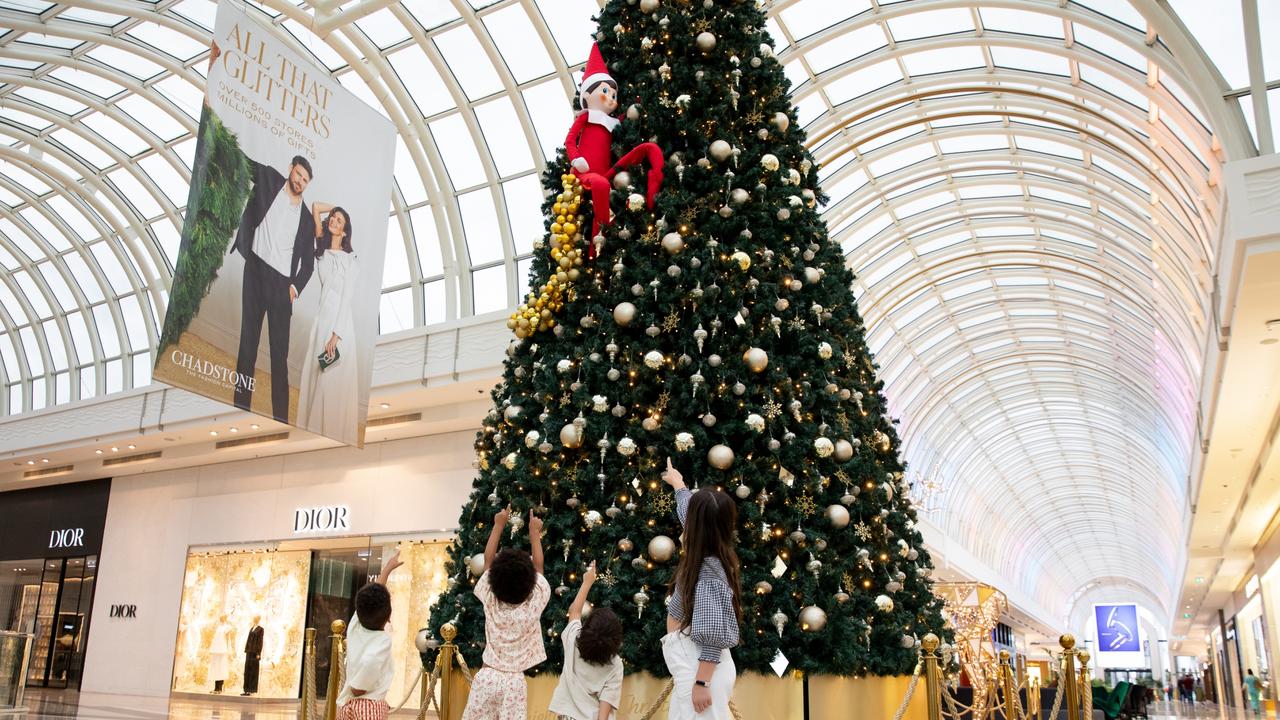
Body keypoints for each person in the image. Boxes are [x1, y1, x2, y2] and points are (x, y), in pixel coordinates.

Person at [660, 458, 741, 719]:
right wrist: (678, 484)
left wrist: (701, 683)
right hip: (692, 665)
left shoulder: (709, 572)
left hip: (702, 670)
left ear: (697, 526)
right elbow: (688, 511)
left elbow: (713, 631)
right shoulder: (704, 540)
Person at [462, 507, 550, 720]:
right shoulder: (532, 605)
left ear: (495, 581)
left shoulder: (491, 599)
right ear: (529, 584)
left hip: (487, 675)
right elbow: (539, 568)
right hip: (513, 683)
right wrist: (534, 534)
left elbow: (488, 563)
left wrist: (499, 525)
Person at [298, 203, 359, 443]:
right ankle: (313, 432)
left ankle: (332, 434)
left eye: (339, 220)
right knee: (316, 375)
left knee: (332, 380)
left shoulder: (351, 261)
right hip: (321, 320)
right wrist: (335, 207)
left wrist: (336, 334)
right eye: (333, 217)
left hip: (340, 326)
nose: (333, 220)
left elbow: (347, 298)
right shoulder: (321, 248)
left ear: (345, 232)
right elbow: (315, 208)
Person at [549, 560, 624, 720]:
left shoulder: (574, 640)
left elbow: (574, 611)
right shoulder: (615, 663)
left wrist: (587, 582)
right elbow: (605, 704)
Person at [335, 548, 404, 720]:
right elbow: (370, 662)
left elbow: (374, 595)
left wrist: (387, 570)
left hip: (345, 705)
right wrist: (358, 687)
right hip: (369, 705)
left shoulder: (354, 626)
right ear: (389, 616)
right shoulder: (382, 641)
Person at [210, 614, 233, 693]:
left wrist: (227, 649)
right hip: (216, 650)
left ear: (225, 618)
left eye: (222, 618)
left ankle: (219, 687)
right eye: (220, 618)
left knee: (221, 667)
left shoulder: (227, 627)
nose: (221, 619)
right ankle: (216, 688)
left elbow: (227, 639)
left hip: (222, 650)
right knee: (216, 668)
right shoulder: (218, 627)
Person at [242, 615, 264, 696]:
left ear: (259, 619)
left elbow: (260, 641)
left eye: (256, 618)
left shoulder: (260, 629)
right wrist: (246, 649)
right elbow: (248, 640)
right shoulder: (251, 628)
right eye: (254, 618)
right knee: (247, 670)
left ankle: (252, 689)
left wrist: (258, 653)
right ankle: (246, 689)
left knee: (253, 671)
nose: (255, 619)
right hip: (249, 651)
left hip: (255, 653)